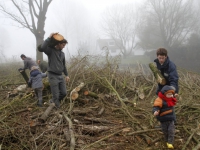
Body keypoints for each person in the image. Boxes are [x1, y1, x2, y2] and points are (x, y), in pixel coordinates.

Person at [38, 33, 70, 108]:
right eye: (63, 45)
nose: (63, 47)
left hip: (60, 75)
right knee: (56, 94)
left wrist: (67, 75)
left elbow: (63, 65)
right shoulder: (50, 51)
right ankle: (58, 110)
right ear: (58, 44)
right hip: (52, 75)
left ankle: (53, 101)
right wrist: (49, 37)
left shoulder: (62, 54)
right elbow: (42, 48)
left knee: (64, 93)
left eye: (64, 45)